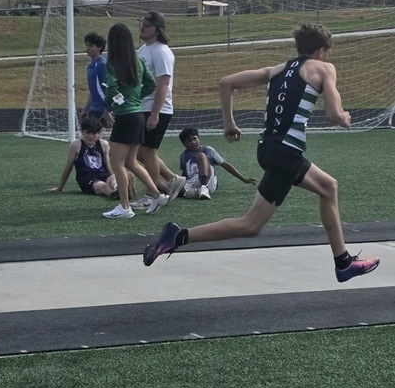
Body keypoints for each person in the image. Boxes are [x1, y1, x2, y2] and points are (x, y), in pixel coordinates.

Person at [143, 22, 380, 284]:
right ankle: (178, 236)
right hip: (286, 153)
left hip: (267, 149)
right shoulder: (325, 68)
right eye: (328, 52)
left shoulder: (278, 69)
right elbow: (334, 114)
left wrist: (229, 123)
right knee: (250, 226)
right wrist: (345, 118)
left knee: (328, 186)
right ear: (322, 50)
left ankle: (343, 261)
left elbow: (226, 83)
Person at [102, 23, 171, 219]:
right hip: (139, 115)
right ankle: (157, 194)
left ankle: (124, 207)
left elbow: (112, 88)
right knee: (131, 162)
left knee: (118, 164)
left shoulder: (113, 62)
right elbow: (151, 84)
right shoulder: (138, 61)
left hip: (125, 117)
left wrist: (109, 106)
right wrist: (135, 96)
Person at [137, 10, 185, 201]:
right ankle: (170, 181)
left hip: (157, 108)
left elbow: (163, 84)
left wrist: (155, 113)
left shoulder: (162, 51)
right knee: (140, 153)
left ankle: (153, 194)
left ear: (157, 30)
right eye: (143, 24)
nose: (142, 28)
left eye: (147, 25)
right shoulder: (143, 49)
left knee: (148, 152)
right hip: (143, 106)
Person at [47, 116, 120, 197]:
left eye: (94, 133)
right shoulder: (76, 145)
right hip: (87, 179)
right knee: (103, 186)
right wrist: (60, 187)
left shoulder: (104, 144)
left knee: (115, 178)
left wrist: (112, 176)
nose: (91, 136)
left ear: (98, 133)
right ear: (82, 131)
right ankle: (115, 194)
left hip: (103, 175)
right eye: (88, 133)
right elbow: (68, 167)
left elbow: (107, 165)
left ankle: (118, 189)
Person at [178, 125, 256, 199]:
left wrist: (243, 179)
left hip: (208, 181)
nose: (193, 142)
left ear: (199, 138)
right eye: (189, 141)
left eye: (194, 139)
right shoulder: (183, 155)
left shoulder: (208, 150)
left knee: (201, 156)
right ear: (184, 144)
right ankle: (195, 192)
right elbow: (185, 174)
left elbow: (225, 165)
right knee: (172, 188)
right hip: (192, 182)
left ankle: (204, 188)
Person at [79, 33, 109, 127]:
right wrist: (85, 109)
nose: (88, 48)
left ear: (99, 47)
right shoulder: (91, 67)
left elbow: (108, 88)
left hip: (102, 109)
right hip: (94, 109)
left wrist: (108, 109)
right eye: (87, 45)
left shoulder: (102, 65)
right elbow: (93, 91)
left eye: (91, 45)